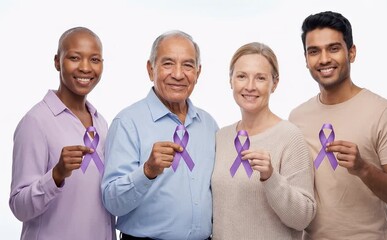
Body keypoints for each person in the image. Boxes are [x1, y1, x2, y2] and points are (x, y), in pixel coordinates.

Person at [289, 11, 387, 240]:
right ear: (306, 59)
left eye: (334, 48)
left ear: (352, 52)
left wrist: (363, 169)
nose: (324, 59)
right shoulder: (297, 117)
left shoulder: (384, 114)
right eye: (314, 51)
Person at [101, 30, 218, 240]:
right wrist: (147, 171)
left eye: (188, 65)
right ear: (150, 69)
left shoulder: (209, 125)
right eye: (168, 63)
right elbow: (112, 202)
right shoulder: (128, 123)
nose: (178, 74)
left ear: (198, 73)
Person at [9, 27, 116, 240]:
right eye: (75, 58)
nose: (85, 68)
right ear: (57, 61)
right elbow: (19, 207)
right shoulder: (35, 122)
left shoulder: (101, 123)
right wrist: (56, 175)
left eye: (94, 59)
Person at [212, 42, 316, 240]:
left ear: (274, 84)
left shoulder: (289, 137)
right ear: (231, 80)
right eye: (242, 76)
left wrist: (271, 177)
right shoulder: (221, 137)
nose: (250, 86)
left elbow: (303, 218)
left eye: (260, 78)